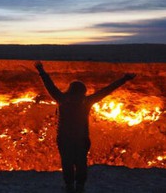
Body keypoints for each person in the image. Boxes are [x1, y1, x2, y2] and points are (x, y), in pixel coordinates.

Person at [34, 61, 136, 193]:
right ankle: (80, 186)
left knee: (67, 162)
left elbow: (50, 85)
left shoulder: (62, 99)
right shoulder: (87, 101)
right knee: (81, 162)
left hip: (64, 138)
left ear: (70, 89)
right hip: (81, 138)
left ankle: (69, 185)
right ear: (83, 91)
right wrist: (124, 79)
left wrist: (41, 71)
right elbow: (107, 90)